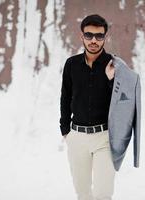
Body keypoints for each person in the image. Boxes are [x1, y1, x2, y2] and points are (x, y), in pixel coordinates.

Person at [59, 14, 116, 200]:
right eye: (89, 35)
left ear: (105, 37)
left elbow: (122, 102)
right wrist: (66, 131)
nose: (94, 40)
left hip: (105, 138)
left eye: (99, 36)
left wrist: (111, 80)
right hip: (77, 138)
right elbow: (65, 97)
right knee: (83, 193)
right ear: (81, 36)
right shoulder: (71, 64)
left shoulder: (114, 65)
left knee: (103, 193)